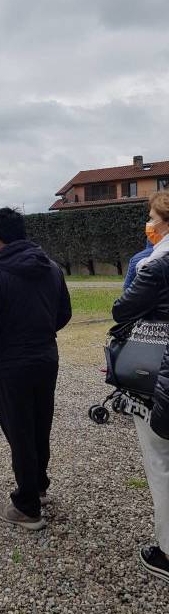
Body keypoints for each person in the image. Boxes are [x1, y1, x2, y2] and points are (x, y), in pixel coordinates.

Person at [0, 207, 71, 530]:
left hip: (10, 365)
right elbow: (64, 313)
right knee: (41, 424)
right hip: (45, 358)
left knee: (19, 432)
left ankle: (27, 506)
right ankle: (38, 485)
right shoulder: (51, 267)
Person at [112, 191, 169, 583]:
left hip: (160, 372)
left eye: (150, 217)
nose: (147, 224)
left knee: (160, 461)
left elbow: (122, 308)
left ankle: (166, 550)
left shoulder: (154, 266)